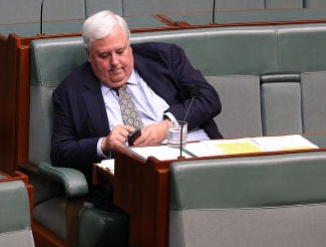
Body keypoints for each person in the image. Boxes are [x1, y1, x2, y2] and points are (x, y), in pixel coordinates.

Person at [50, 10, 223, 179]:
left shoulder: (165, 57)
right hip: (139, 178)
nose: (115, 62)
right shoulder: (70, 91)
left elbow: (209, 98)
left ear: (129, 45)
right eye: (104, 55)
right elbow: (60, 151)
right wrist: (104, 144)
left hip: (198, 156)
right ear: (89, 55)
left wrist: (168, 126)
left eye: (120, 51)